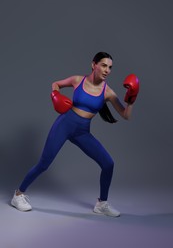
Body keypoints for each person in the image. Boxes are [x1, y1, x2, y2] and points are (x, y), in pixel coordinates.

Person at [11, 52, 139, 217]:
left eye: (110, 67)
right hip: (64, 125)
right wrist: (55, 95)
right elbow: (55, 84)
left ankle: (102, 204)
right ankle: (18, 195)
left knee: (108, 164)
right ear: (94, 65)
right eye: (104, 65)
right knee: (44, 163)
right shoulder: (78, 80)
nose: (107, 70)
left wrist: (131, 101)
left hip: (82, 132)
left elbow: (125, 115)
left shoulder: (108, 92)